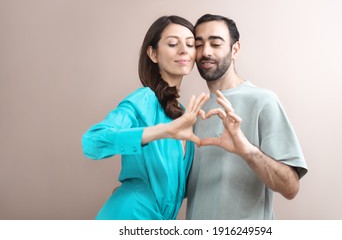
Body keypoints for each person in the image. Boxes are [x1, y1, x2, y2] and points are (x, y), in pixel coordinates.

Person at [82, 15, 209, 220]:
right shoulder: (143, 100)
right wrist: (165, 131)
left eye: (190, 44)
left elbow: (174, 188)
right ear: (153, 53)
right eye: (173, 43)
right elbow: (93, 142)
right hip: (129, 216)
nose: (184, 50)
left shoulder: (184, 114)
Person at [185, 14, 308, 219]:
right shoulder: (194, 111)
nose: (205, 52)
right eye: (198, 45)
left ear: (235, 50)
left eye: (216, 43)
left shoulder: (263, 101)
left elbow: (291, 187)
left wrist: (247, 150)